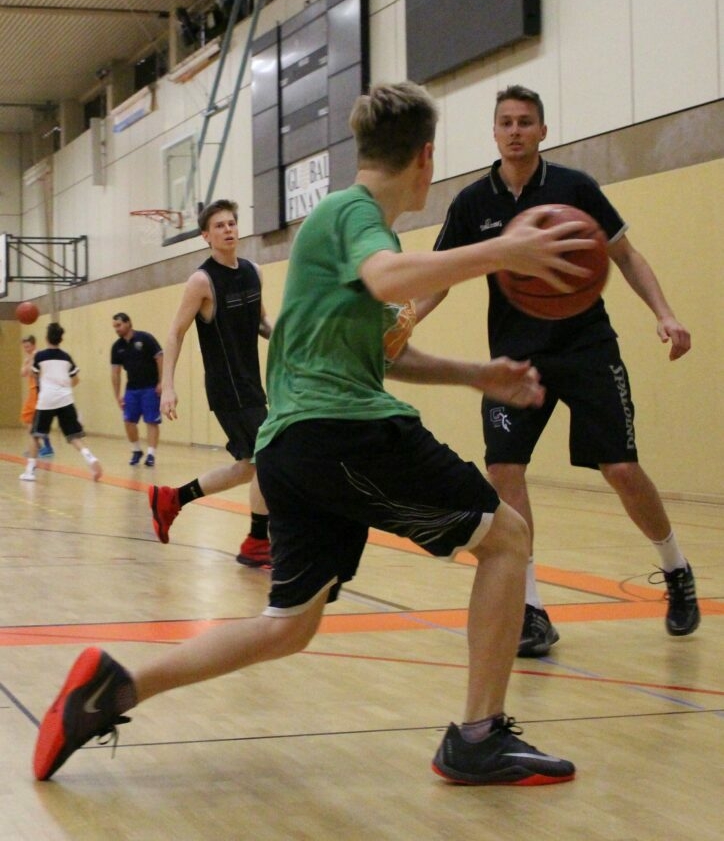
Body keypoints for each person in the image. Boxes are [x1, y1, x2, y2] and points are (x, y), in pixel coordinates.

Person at [33, 81, 594, 785]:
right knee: (507, 537)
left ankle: (111, 692)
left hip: (294, 449)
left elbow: (384, 352)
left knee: (288, 626)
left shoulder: (346, 227)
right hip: (342, 434)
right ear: (426, 157)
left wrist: (475, 374)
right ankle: (478, 737)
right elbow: (388, 278)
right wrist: (502, 251)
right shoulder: (353, 215)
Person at [419, 84, 700, 657]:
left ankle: (675, 569)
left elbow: (625, 255)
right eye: (506, 122)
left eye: (525, 122)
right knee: (505, 470)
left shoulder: (575, 189)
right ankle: (530, 608)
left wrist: (665, 314)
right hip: (515, 360)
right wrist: (402, 321)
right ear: (494, 132)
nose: (515, 131)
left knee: (621, 468)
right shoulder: (473, 203)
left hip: (586, 349)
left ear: (543, 131)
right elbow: (440, 276)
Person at [148, 199, 273, 567]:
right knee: (270, 457)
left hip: (252, 384)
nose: (228, 229)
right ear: (206, 236)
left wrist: (292, 338)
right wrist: (168, 385)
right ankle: (257, 541)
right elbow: (175, 333)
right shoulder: (202, 281)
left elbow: (262, 323)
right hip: (227, 387)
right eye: (219, 225)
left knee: (249, 467)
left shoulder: (254, 272)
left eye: (232, 223)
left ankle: (172, 499)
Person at [19, 322, 102, 483]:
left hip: (46, 400)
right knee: (74, 436)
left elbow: (34, 375)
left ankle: (29, 472)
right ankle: (90, 458)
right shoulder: (66, 357)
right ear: (60, 339)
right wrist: (62, 386)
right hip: (66, 399)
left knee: (35, 435)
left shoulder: (40, 356)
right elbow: (76, 380)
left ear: (46, 338)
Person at [110, 313, 163, 467]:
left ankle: (151, 454)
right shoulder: (117, 347)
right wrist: (117, 395)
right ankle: (136, 450)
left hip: (150, 387)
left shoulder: (145, 338)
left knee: (151, 421)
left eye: (119, 325)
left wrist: (162, 382)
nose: (117, 329)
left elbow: (160, 358)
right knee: (128, 421)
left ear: (128, 323)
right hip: (131, 390)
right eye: (115, 326)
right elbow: (115, 372)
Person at [20, 334, 54, 457]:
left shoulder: (38, 356)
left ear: (34, 345)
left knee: (37, 419)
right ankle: (38, 446)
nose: (26, 349)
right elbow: (23, 373)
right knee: (28, 418)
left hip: (39, 390)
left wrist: (29, 362)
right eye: (24, 347)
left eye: (28, 346)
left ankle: (46, 447)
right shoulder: (29, 358)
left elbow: (31, 372)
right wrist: (27, 362)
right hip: (32, 391)